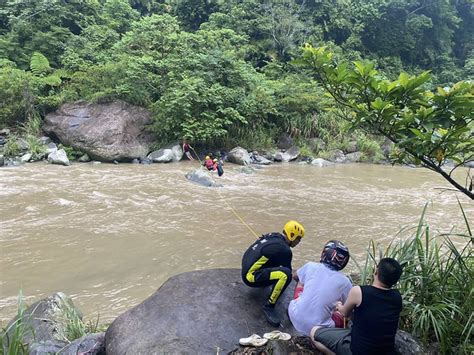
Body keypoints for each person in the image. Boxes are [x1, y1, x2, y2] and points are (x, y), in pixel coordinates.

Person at [311, 257, 403, 355]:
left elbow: (344, 313)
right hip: (386, 352)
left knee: (313, 332)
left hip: (358, 351)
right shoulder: (397, 297)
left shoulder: (359, 291)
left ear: (376, 272)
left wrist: (339, 305)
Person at [241, 220, 305, 327]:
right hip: (250, 277)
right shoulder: (285, 250)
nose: (298, 242)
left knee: (278, 266)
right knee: (286, 275)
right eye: (298, 238)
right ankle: (269, 306)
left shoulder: (274, 235)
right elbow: (290, 273)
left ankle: (266, 282)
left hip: (246, 267)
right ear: (292, 235)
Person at [288, 240, 352, 336]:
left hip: (294, 315)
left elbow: (295, 276)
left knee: (301, 281)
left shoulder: (310, 266)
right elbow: (349, 308)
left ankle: (301, 304)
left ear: (324, 253)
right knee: (342, 313)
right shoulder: (345, 282)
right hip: (319, 331)